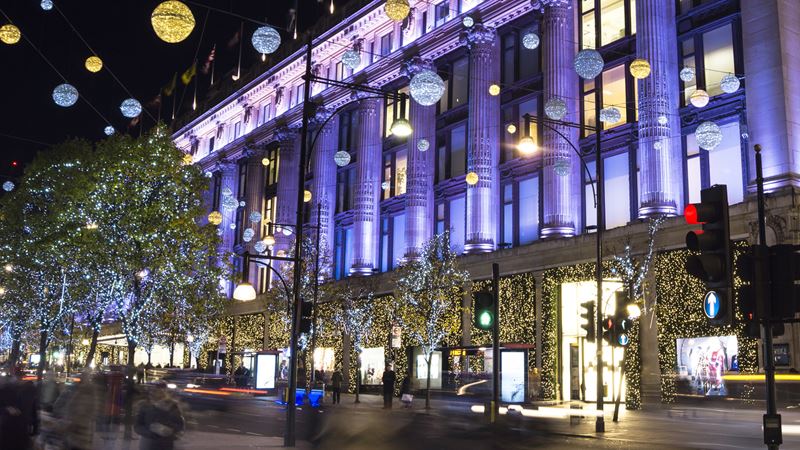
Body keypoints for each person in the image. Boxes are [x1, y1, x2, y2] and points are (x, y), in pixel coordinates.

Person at [134, 381, 185, 450]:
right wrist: (150, 432)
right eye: (156, 389)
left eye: (163, 389)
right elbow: (138, 426)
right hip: (148, 444)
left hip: (166, 444)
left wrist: (170, 431)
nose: (160, 391)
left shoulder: (173, 406)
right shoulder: (145, 406)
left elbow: (179, 425)